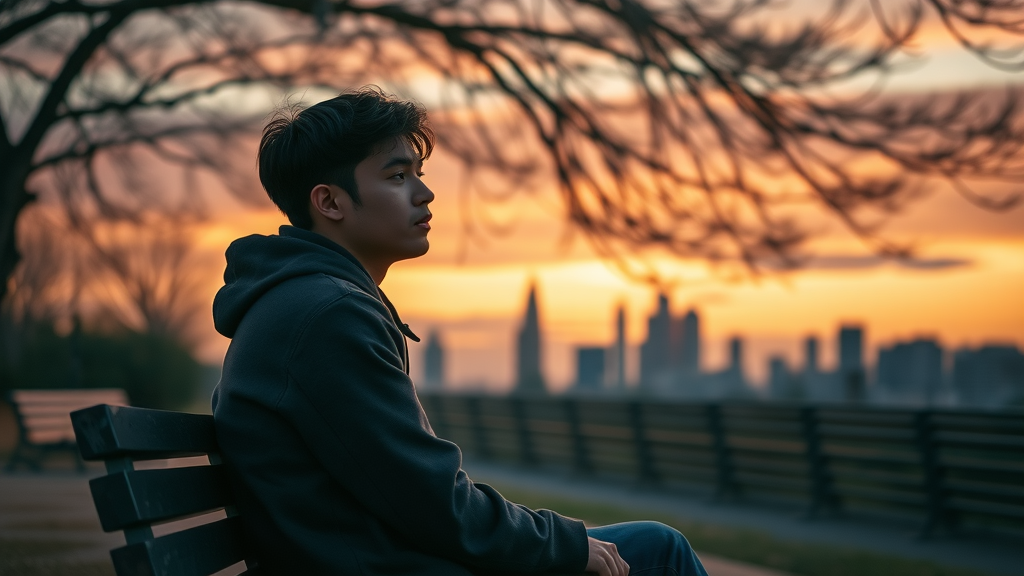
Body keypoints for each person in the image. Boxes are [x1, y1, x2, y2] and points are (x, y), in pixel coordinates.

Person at [212, 86, 709, 576]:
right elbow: (430, 502)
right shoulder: (327, 315)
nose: (424, 193)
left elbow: (412, 495)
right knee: (658, 551)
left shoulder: (307, 302)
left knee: (644, 545)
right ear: (331, 202)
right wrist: (562, 545)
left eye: (419, 174)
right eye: (398, 176)